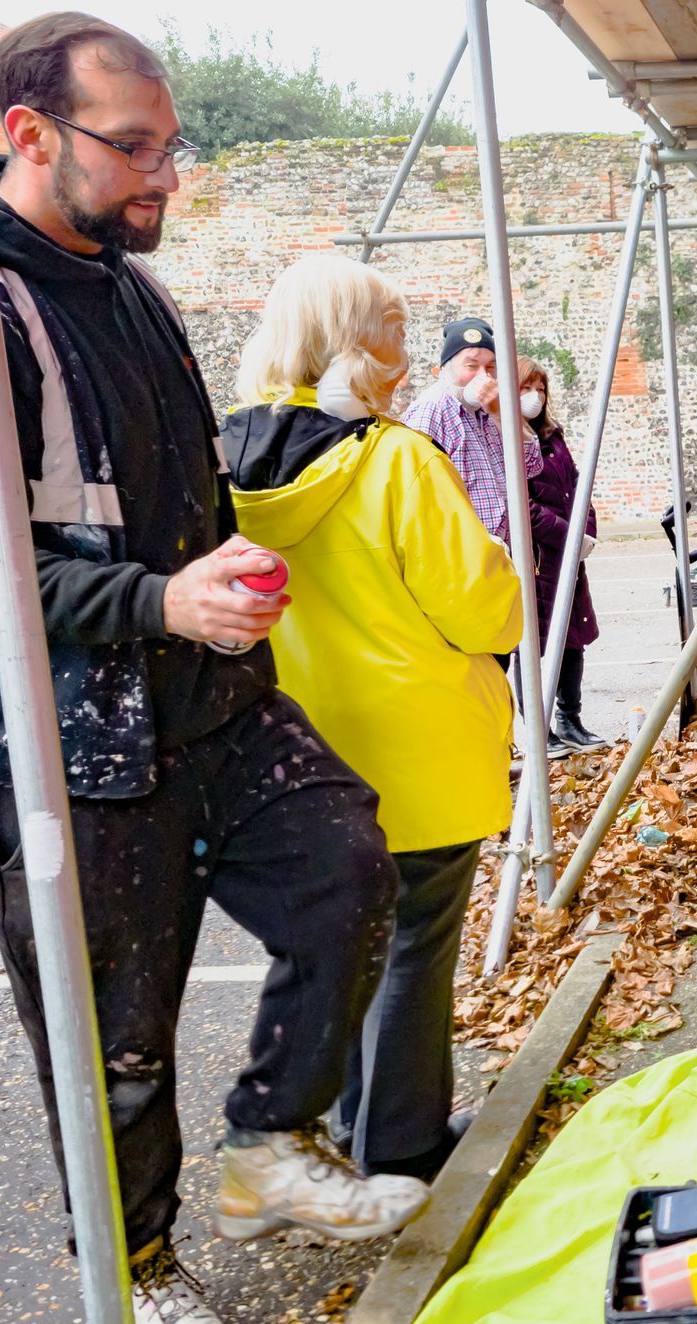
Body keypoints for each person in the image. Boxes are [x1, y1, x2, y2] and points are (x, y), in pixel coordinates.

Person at [0, 14, 422, 1324]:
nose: (168, 177)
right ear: (28, 133)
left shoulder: (127, 280)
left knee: (344, 865)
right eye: (133, 147)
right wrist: (157, 601)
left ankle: (271, 1145)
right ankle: (136, 1278)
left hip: (206, 695)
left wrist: (237, 564)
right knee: (113, 1031)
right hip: (69, 732)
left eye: (174, 144)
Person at [223, 255, 523, 1182]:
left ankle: (360, 1125)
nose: (405, 345)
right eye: (394, 326)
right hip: (418, 744)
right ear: (354, 340)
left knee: (345, 945)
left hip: (295, 750)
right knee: (417, 948)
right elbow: (484, 609)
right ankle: (402, 1142)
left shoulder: (218, 458)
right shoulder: (396, 459)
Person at [519, 357, 604, 753]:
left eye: (541, 388)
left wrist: (586, 531)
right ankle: (540, 731)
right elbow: (522, 507)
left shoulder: (553, 436)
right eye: (526, 388)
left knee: (573, 635)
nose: (535, 396)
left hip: (568, 556)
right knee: (534, 644)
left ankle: (570, 719)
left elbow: (577, 486)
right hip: (537, 559)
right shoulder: (506, 439)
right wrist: (568, 536)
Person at [401, 317, 543, 546]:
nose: (483, 376)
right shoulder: (431, 409)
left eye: (490, 368)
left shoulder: (489, 410)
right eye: (471, 366)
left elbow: (532, 466)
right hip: (461, 552)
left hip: (504, 550)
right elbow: (413, 492)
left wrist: (501, 414)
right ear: (445, 369)